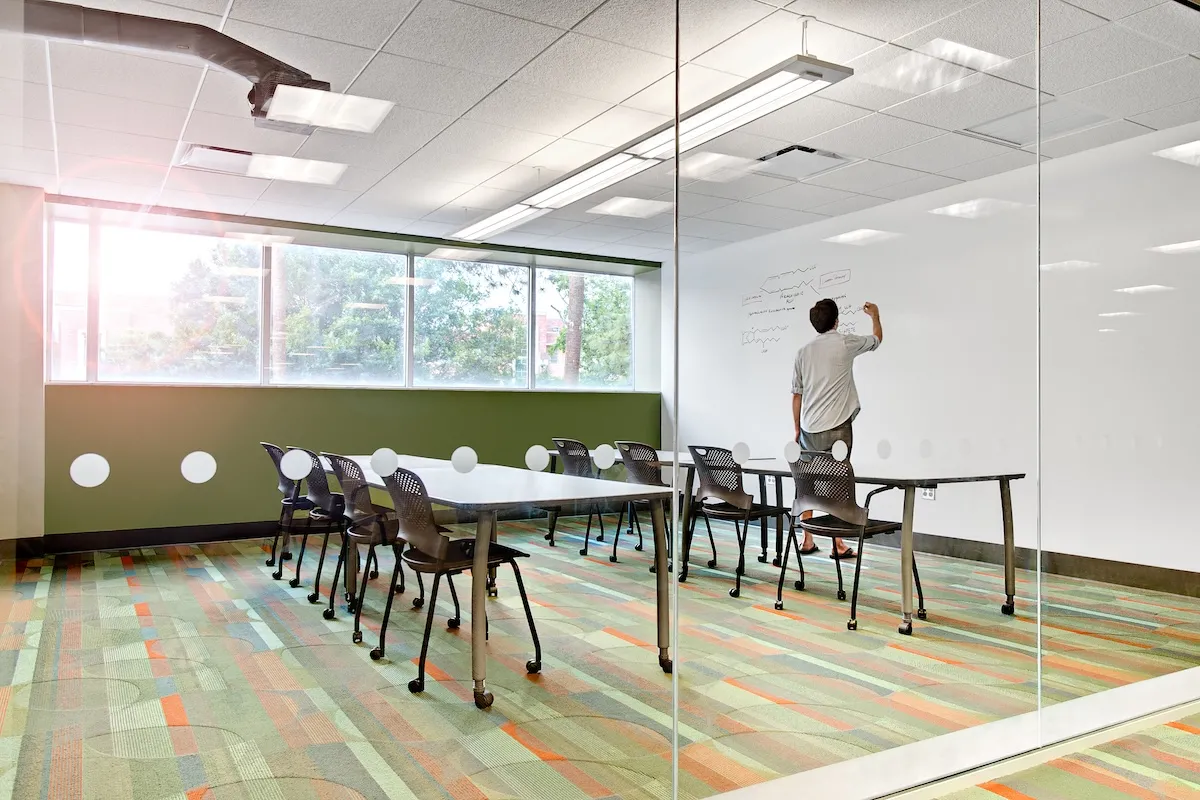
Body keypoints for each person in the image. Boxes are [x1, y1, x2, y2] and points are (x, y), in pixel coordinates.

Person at [791, 298, 883, 559]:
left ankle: (806, 539)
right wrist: (875, 315)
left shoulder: (802, 352)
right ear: (836, 320)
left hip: (808, 428)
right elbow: (877, 339)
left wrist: (797, 429)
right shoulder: (845, 343)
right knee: (837, 485)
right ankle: (838, 544)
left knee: (807, 484)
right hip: (838, 428)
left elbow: (796, 395)